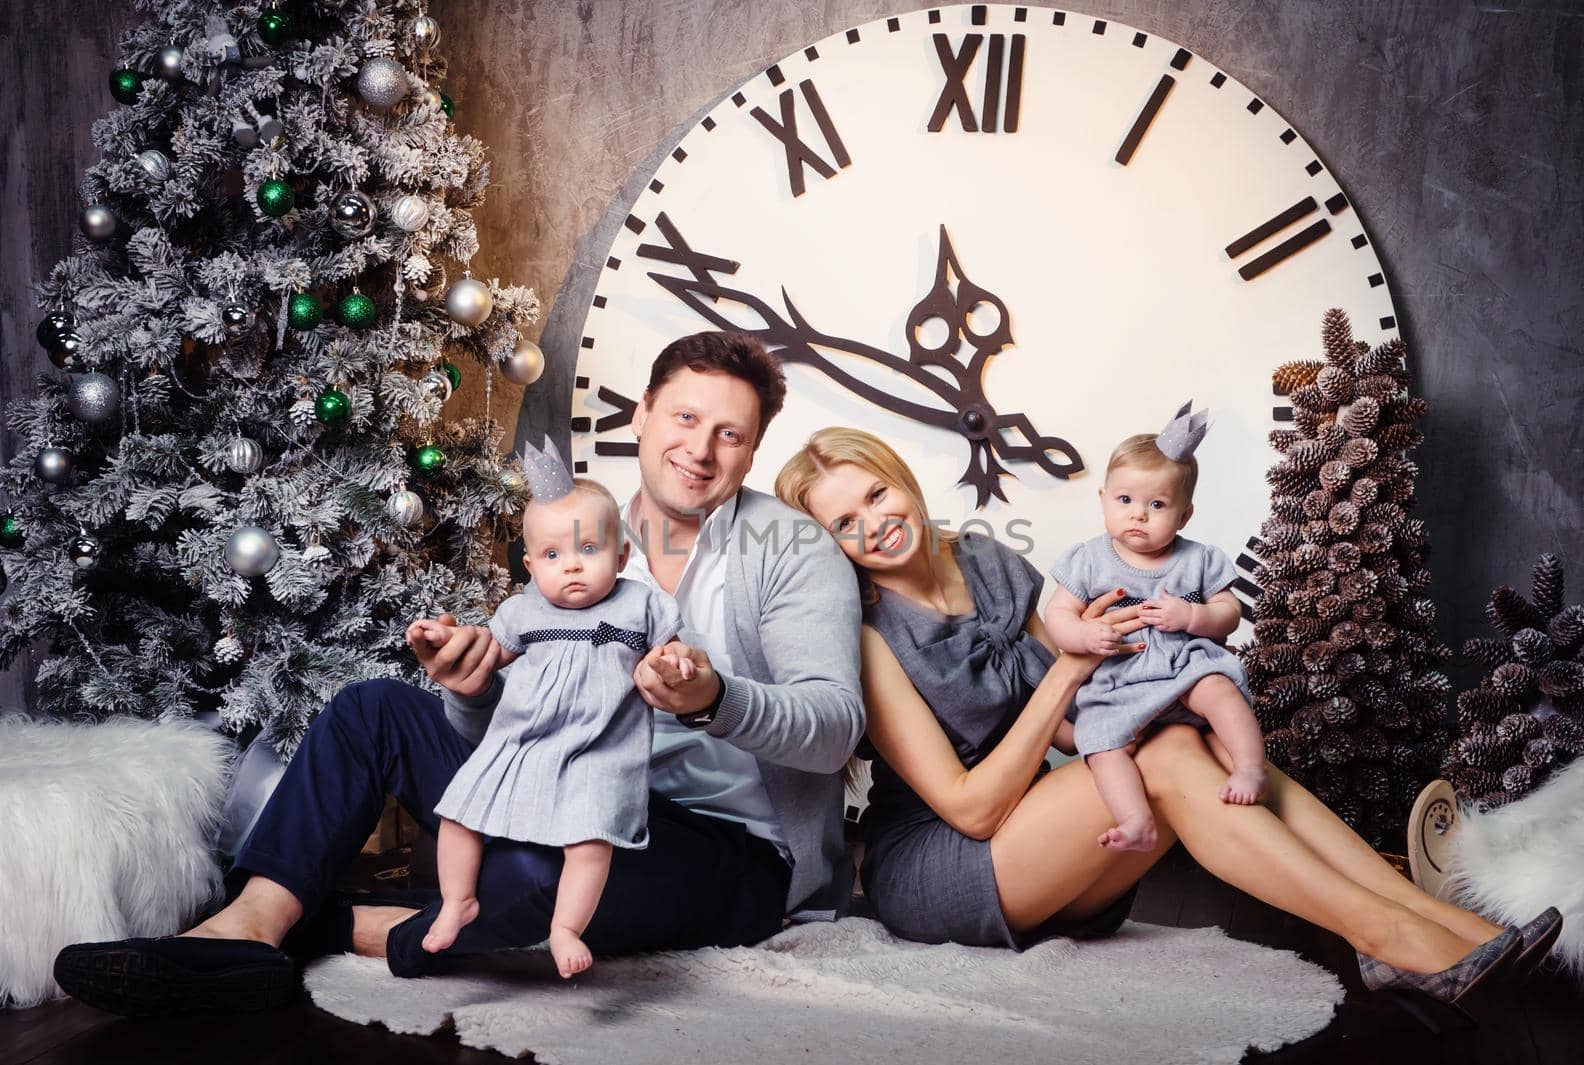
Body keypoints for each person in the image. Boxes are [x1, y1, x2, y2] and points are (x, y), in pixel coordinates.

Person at [53, 331, 865, 1016]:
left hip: (728, 850)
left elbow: (833, 731)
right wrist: (473, 689)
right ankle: (251, 925)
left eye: (731, 433)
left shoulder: (790, 551)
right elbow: (511, 732)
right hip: (566, 793)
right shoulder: (579, 540)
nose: (700, 447)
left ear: (753, 451)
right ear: (644, 414)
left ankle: (334, 927)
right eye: (686, 416)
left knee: (532, 871)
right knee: (373, 709)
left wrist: (714, 695)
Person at [774, 425, 1559, 1026]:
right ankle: (1391, 938)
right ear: (830, 545)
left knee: (1189, 735)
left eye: (875, 495)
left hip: (1047, 832)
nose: (872, 525)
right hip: (946, 861)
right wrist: (1075, 667)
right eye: (843, 523)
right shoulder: (868, 635)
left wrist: (1182, 687)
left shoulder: (982, 559)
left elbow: (1077, 724)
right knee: (1167, 751)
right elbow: (973, 804)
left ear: (899, 479)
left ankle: (1431, 918)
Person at [412, 445, 684, 978]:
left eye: (589, 547)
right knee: (459, 815)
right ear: (531, 565)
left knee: (590, 842)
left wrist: (676, 663)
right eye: (554, 556)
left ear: (623, 556)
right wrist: (446, 638)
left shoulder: (640, 606)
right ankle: (456, 900)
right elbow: (480, 657)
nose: (574, 565)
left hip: (599, 751)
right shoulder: (521, 611)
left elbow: (668, 654)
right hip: (521, 741)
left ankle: (565, 927)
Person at [1042, 404, 1265, 855]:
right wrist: (1085, 636)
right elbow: (1057, 615)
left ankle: (1249, 766)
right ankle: (1135, 819)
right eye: (1125, 501)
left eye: (1157, 505)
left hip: (1181, 664)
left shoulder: (1196, 559)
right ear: (1103, 498)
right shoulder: (1088, 559)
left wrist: (1194, 618)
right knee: (1101, 744)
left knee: (1218, 689)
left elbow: (1230, 611)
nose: (1138, 515)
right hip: (1119, 677)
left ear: (1184, 515)